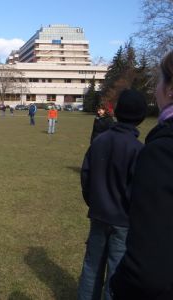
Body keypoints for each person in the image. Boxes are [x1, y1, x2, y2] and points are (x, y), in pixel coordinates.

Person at [110, 51, 173, 300]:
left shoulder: (162, 151)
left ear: (170, 89)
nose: (155, 89)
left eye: (158, 81)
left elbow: (148, 268)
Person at [77, 89, 147, 300]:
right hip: (121, 220)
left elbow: (86, 177)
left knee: (92, 265)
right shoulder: (138, 149)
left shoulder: (100, 142)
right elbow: (137, 191)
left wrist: (95, 202)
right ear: (141, 118)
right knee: (115, 269)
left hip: (101, 214)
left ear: (116, 112)